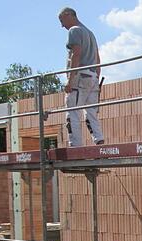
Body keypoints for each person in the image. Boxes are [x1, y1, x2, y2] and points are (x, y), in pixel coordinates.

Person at [58, 7, 105, 147]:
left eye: (62, 20)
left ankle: (75, 146)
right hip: (92, 76)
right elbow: (97, 59)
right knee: (91, 112)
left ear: (69, 15)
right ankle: (99, 141)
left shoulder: (75, 30)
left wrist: (70, 80)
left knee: (72, 111)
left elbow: (76, 54)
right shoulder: (90, 33)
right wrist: (96, 77)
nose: (62, 25)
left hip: (80, 76)